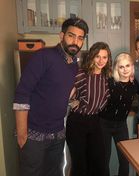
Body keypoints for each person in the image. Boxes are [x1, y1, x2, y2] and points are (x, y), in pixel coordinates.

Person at [13, 17, 89, 176]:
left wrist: (73, 100)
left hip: (58, 133)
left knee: (53, 173)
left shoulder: (74, 65)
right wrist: (21, 132)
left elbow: (60, 92)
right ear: (61, 36)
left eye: (80, 38)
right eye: (71, 36)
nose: (75, 41)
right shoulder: (43, 56)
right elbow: (22, 93)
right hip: (34, 134)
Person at [66, 42, 112, 176]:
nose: (101, 60)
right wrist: (72, 101)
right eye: (98, 56)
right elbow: (65, 92)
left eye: (104, 57)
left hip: (95, 121)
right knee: (80, 165)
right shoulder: (82, 74)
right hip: (77, 122)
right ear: (92, 56)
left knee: (98, 162)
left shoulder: (105, 77)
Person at [100, 53, 138, 176]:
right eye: (121, 67)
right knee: (104, 159)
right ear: (117, 68)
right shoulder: (109, 83)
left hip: (121, 125)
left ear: (132, 67)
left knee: (124, 158)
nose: (125, 69)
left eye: (127, 66)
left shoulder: (134, 84)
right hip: (104, 124)